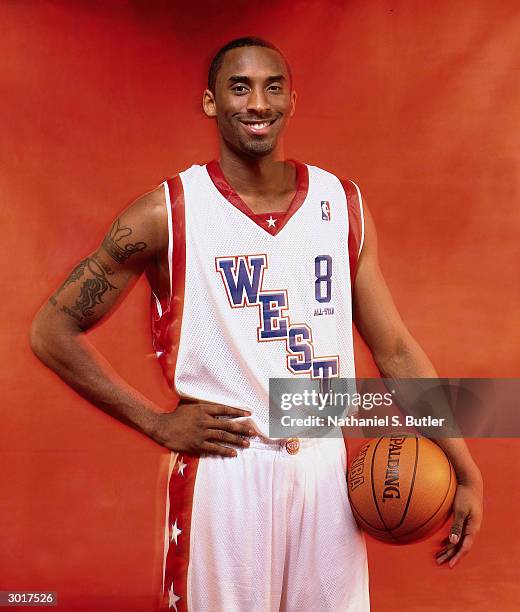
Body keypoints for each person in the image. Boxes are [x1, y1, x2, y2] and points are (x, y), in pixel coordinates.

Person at [30, 37, 483, 611]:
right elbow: (51, 331)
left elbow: (393, 348)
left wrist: (465, 469)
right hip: (227, 469)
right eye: (239, 87)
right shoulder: (169, 211)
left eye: (272, 87)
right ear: (210, 102)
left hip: (324, 466)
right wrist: (153, 422)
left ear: (293, 100)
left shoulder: (341, 204)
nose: (257, 103)